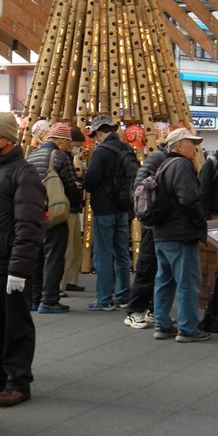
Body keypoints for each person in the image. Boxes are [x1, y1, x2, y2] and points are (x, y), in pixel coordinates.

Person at [0, 111, 46, 408]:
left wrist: (18, 268)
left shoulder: (24, 173)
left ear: (7, 138)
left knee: (16, 324)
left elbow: (29, 224)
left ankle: (18, 380)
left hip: (11, 261)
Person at [150, 128, 209, 342]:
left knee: (164, 281)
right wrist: (200, 221)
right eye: (191, 143)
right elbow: (189, 199)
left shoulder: (163, 165)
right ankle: (187, 328)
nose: (195, 148)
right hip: (180, 233)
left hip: (162, 232)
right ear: (179, 145)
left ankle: (162, 324)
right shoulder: (182, 165)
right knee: (187, 283)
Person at [27, 122, 82, 313]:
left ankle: (34, 299)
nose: (70, 147)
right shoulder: (59, 156)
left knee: (37, 257)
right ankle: (49, 300)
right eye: (69, 143)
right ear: (62, 141)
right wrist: (75, 199)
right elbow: (70, 185)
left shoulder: (31, 156)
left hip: (34, 213)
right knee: (54, 256)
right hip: (54, 213)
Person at [81, 113, 135, 310]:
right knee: (122, 253)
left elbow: (90, 181)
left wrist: (84, 183)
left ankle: (104, 299)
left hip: (104, 209)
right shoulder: (127, 148)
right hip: (123, 208)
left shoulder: (101, 151)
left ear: (99, 133)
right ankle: (123, 296)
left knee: (103, 254)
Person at [123, 126, 171, 329]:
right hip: (153, 221)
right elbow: (139, 184)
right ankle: (134, 311)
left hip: (158, 221)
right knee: (147, 266)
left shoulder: (164, 159)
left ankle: (152, 309)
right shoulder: (159, 158)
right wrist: (150, 206)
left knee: (158, 268)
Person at [61, 126, 87, 294]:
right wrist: (75, 184)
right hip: (67, 207)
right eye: (77, 145)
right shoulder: (62, 157)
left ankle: (71, 280)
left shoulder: (68, 157)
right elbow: (66, 181)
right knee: (68, 248)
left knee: (76, 246)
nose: (78, 149)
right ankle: (61, 284)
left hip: (74, 207)